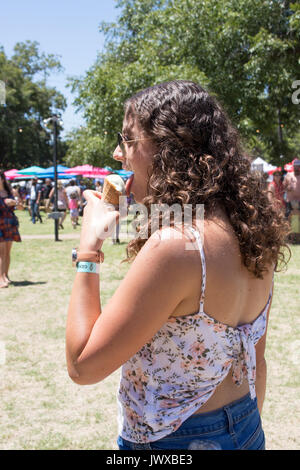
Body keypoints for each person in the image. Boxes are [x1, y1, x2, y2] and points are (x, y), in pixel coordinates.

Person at [66, 80, 289, 450]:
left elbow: (82, 367)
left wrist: (89, 250)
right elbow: (257, 363)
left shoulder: (177, 246)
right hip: (246, 424)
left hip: (175, 442)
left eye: (128, 139)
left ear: (170, 148)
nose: (117, 153)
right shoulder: (252, 229)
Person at [0, 171, 21, 287]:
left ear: (2, 179)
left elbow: (22, 207)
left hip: (10, 223)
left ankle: (5, 276)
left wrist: (15, 202)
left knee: (7, 252)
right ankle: (0, 278)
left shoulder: (10, 192)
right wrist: (4, 202)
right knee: (1, 252)